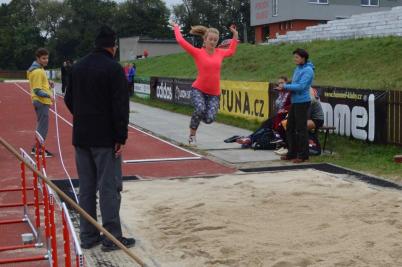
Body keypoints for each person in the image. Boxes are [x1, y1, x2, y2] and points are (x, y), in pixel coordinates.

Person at [64, 25, 135, 252]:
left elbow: (68, 99)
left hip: (81, 136)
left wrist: (83, 117)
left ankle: (88, 236)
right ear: (112, 47)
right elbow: (120, 107)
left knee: (86, 187)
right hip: (105, 139)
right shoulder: (113, 69)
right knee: (108, 187)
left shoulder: (78, 67)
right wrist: (120, 136)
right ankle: (112, 237)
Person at [171, 20, 238, 145]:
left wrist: (235, 35)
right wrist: (176, 28)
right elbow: (181, 41)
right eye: (210, 39)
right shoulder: (198, 53)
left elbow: (232, 51)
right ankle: (192, 135)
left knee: (209, 119)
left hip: (214, 94)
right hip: (198, 90)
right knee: (200, 109)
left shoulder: (220, 53)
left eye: (215, 40)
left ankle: (197, 117)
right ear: (205, 40)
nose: (213, 42)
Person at [229, 76, 291, 148]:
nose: (280, 84)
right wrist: (280, 92)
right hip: (279, 115)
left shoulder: (288, 93)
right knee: (265, 124)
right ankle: (250, 139)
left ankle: (250, 139)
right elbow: (277, 105)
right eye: (279, 83)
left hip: (285, 115)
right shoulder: (281, 93)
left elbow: (287, 106)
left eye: (282, 83)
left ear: (286, 83)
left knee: (267, 125)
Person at [277, 48, 315, 163]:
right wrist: (284, 86)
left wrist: (285, 87)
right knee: (290, 128)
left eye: (297, 57)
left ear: (303, 58)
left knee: (301, 129)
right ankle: (292, 153)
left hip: (302, 102)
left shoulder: (308, 70)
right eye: (295, 57)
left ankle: (303, 155)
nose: (295, 59)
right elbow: (294, 84)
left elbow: (301, 87)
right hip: (295, 101)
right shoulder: (298, 68)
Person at [28, 48, 54, 157]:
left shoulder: (40, 69)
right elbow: (37, 90)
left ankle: (36, 148)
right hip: (41, 101)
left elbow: (41, 85)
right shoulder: (38, 71)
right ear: (38, 58)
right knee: (43, 126)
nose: (46, 60)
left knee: (41, 125)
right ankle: (38, 149)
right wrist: (49, 95)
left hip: (41, 101)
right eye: (43, 58)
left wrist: (48, 84)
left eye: (47, 58)